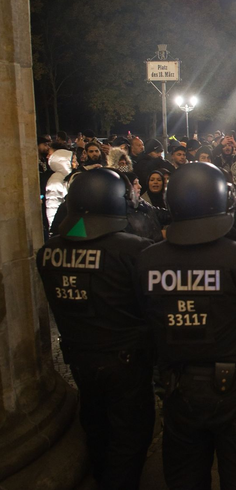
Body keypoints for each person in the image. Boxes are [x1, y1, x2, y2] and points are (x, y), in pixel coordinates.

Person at [138, 163, 236, 489]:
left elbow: (146, 317)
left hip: (177, 387)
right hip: (234, 387)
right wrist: (235, 342)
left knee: (185, 476)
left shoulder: (148, 260)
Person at [37, 169, 155, 488]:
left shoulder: (48, 252)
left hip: (79, 358)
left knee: (96, 425)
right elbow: (150, 304)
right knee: (130, 435)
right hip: (126, 361)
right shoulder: (132, 250)